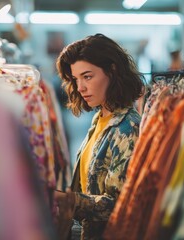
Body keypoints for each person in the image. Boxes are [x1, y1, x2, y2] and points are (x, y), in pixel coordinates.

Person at [54, 33, 144, 240]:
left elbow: (121, 206)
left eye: (87, 76)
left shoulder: (127, 128)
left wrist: (67, 200)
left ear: (112, 71)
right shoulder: (100, 119)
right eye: (76, 79)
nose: (80, 87)